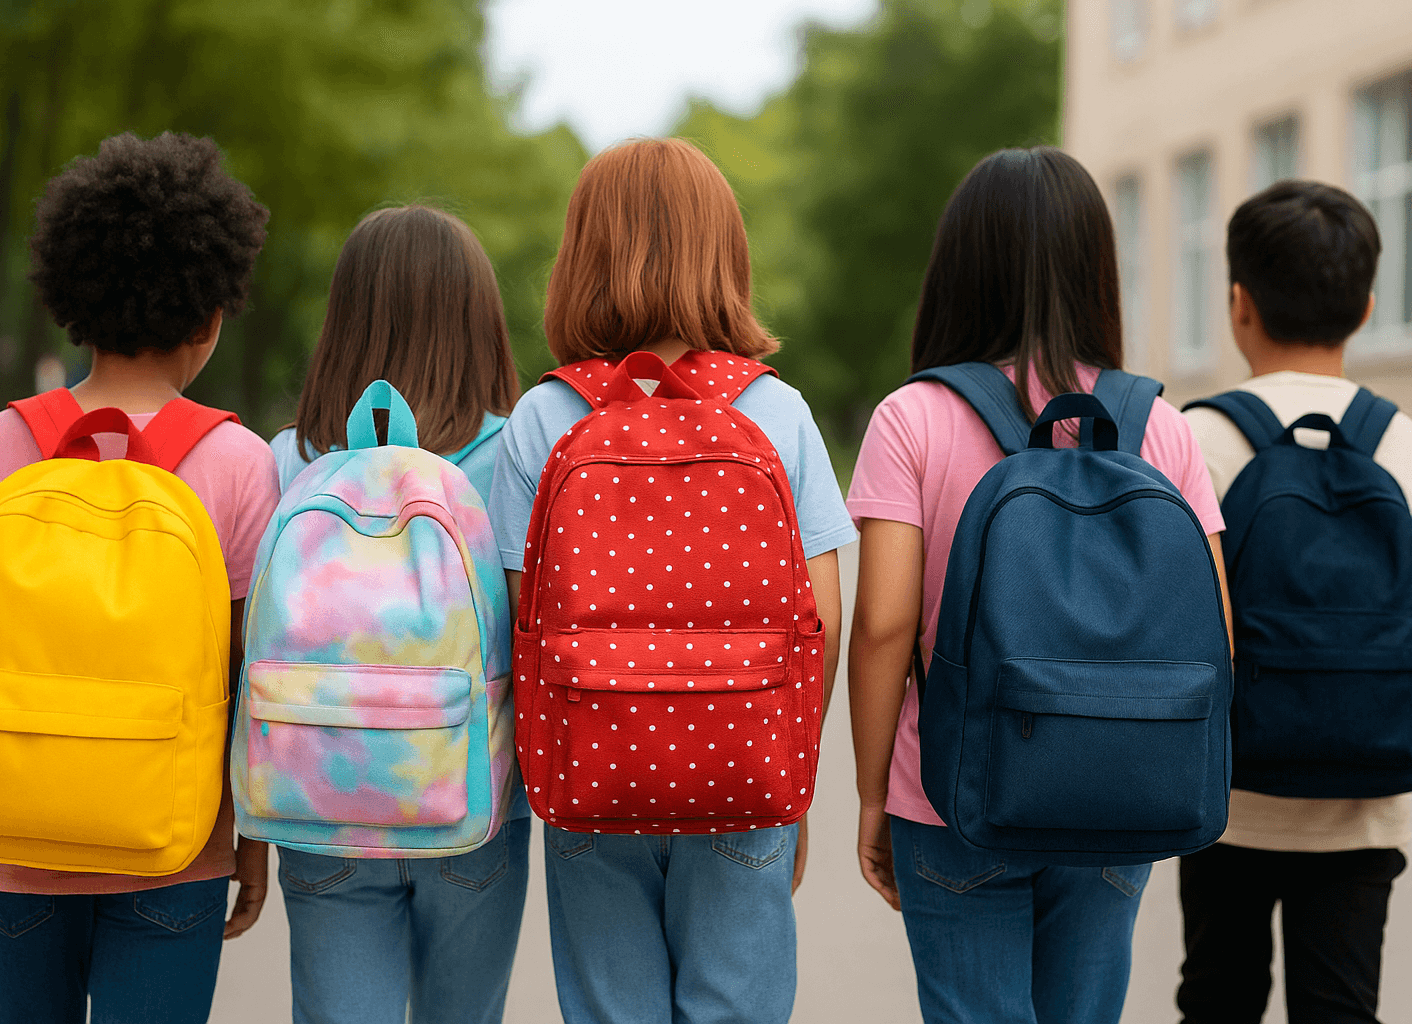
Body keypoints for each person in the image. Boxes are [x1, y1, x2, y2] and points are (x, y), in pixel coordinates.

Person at [845, 145, 1227, 1023]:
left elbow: (884, 629)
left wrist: (873, 795)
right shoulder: (1157, 426)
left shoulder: (913, 418)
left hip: (951, 794)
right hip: (1123, 787)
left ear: (959, 270)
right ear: (1099, 269)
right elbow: (1218, 633)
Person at [0, 131, 277, 1024]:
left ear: (74, 304)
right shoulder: (237, 462)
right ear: (208, 318)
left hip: (8, 833)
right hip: (174, 846)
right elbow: (250, 671)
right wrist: (252, 840)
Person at [488, 137, 854, 1024]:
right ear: (726, 256)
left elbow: (513, 623)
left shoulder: (544, 416)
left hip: (592, 778)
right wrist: (791, 779)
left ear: (582, 260)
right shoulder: (777, 410)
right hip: (741, 768)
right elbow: (826, 618)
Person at [265, 204, 528, 1024]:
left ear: (343, 321)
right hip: (470, 799)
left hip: (319, 804)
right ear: (478, 320)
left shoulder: (292, 460)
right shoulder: (521, 452)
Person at [1178, 180, 1409, 1024]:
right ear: (1367, 303)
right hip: (1365, 801)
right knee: (1341, 1007)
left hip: (1226, 799)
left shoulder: (1193, 438)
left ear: (1239, 303)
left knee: (1215, 997)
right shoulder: (1404, 446)